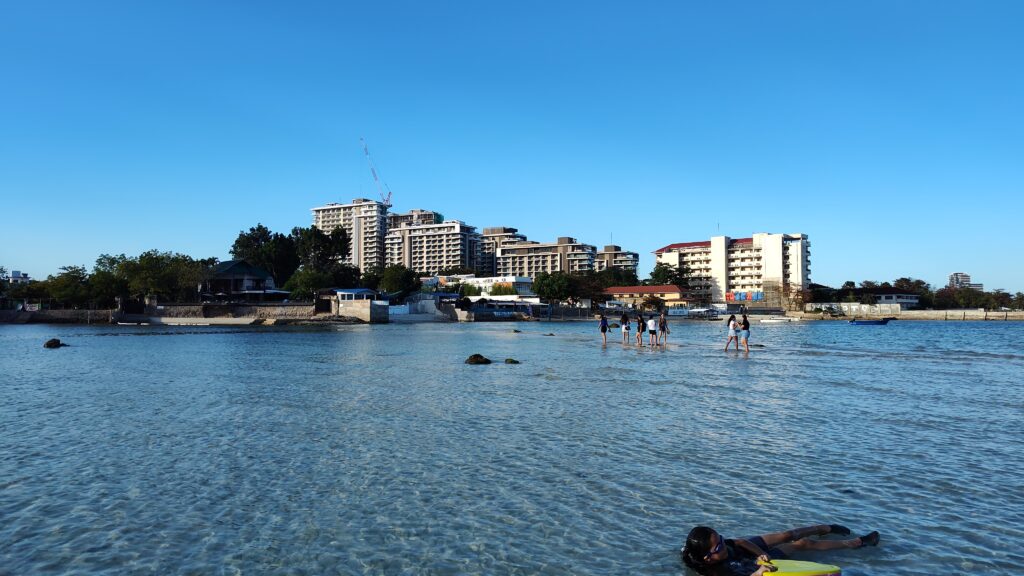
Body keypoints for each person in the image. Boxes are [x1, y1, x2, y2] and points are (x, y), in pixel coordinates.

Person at [681, 524, 880, 576]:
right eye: (719, 546)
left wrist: (759, 552)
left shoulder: (724, 546)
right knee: (802, 544)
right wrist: (759, 571)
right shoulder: (715, 571)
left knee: (786, 535)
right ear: (708, 558)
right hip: (748, 566)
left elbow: (740, 542)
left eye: (722, 539)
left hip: (750, 552)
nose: (724, 544)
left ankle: (825, 528)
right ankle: (857, 543)